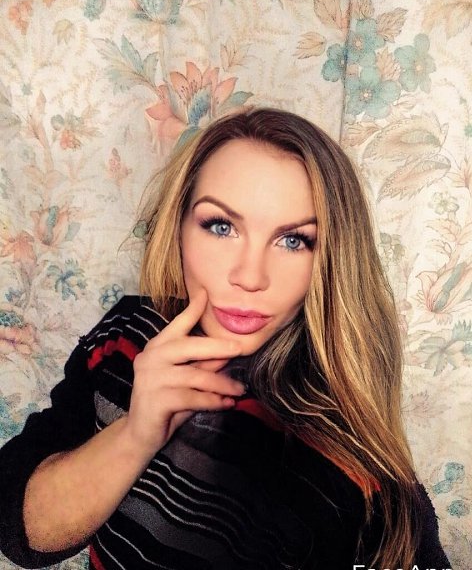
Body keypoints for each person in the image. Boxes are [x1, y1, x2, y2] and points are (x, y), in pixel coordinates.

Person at [0, 108, 450, 570]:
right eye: (221, 226)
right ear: (178, 226)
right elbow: (19, 532)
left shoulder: (350, 454)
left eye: (294, 240)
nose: (250, 277)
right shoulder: (127, 331)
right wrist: (134, 436)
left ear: (331, 258)